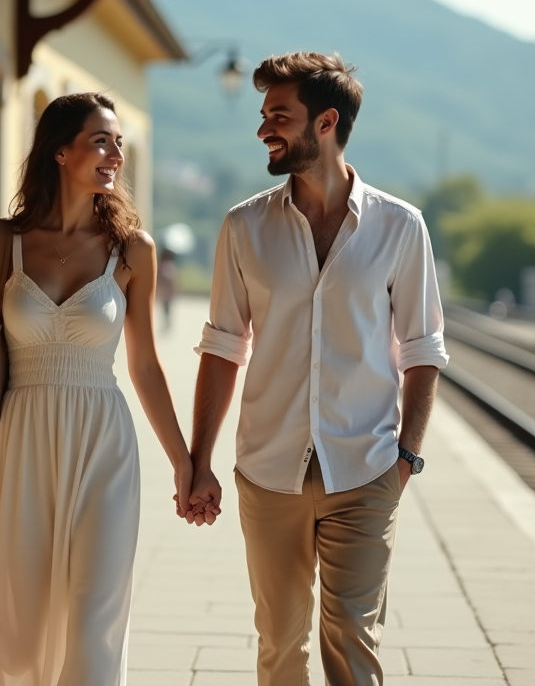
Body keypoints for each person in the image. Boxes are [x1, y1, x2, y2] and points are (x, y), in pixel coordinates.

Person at [185, 52, 449, 685]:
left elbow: (423, 349)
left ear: (325, 122)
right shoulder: (243, 227)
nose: (263, 129)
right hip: (268, 471)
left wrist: (405, 460)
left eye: (280, 115)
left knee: (353, 641)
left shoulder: (400, 227)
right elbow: (223, 347)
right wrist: (199, 463)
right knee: (279, 645)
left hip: (364, 469)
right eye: (263, 114)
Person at [0, 92, 194, 686]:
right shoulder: (1, 243)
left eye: (120, 143)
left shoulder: (133, 251)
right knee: (23, 631)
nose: (115, 156)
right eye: (102, 141)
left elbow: (147, 367)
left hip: (104, 443)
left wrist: (184, 465)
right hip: (26, 442)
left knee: (91, 623)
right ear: (59, 151)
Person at [156, 247, 178, 332]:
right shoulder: (170, 265)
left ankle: (167, 322)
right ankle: (167, 322)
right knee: (166, 307)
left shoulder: (163, 265)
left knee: (166, 307)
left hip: (165, 291)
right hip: (166, 291)